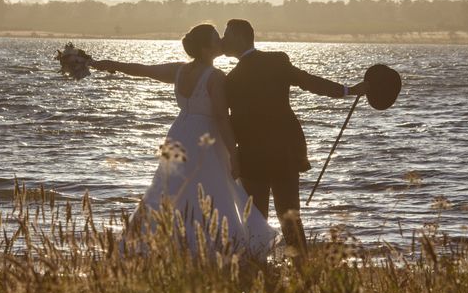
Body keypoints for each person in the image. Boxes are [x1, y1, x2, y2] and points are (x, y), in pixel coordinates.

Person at [90, 24, 276, 258]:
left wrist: (110, 65)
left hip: (179, 133)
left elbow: (142, 69)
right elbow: (220, 117)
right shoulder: (215, 77)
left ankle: (159, 244)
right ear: (207, 48)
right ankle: (211, 248)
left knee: (171, 188)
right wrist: (234, 152)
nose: (221, 40)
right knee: (213, 190)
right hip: (205, 138)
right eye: (215, 38)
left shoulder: (178, 70)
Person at [221, 19, 368, 260]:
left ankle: (262, 268)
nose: (224, 41)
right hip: (283, 152)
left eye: (227, 36)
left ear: (239, 36)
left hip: (253, 155)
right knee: (289, 215)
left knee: (258, 218)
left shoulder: (231, 79)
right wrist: (347, 90)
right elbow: (309, 81)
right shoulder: (271, 63)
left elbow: (226, 120)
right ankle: (301, 269)